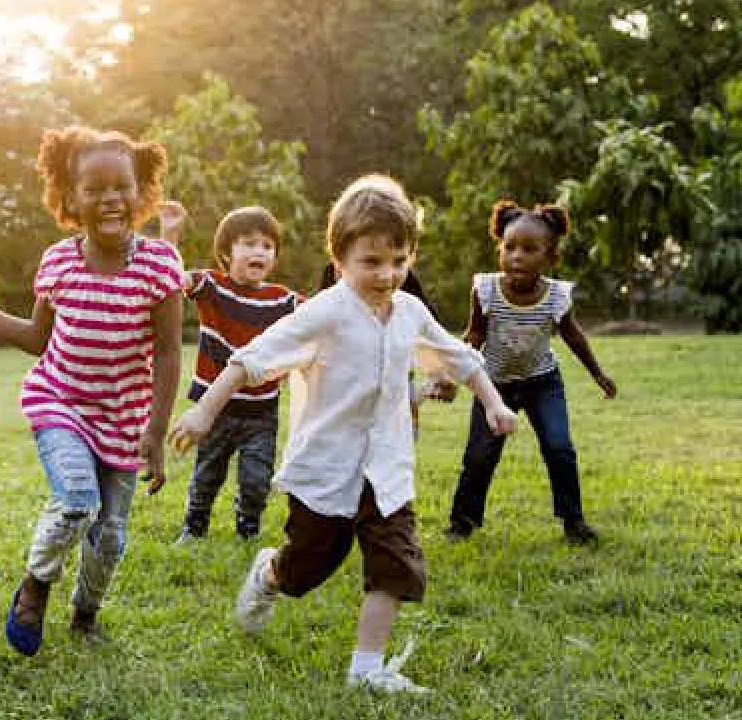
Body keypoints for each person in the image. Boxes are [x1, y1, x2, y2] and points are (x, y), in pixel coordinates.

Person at [169, 175, 518, 694]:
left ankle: (367, 669)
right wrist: (203, 413)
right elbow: (251, 360)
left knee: (396, 562)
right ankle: (270, 573)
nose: (388, 274)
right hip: (328, 467)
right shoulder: (325, 312)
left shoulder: (410, 311)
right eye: (371, 262)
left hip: (387, 467)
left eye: (399, 260)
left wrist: (494, 403)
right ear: (339, 261)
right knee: (309, 566)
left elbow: (457, 357)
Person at [0, 126, 183, 655]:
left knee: (111, 535)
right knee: (75, 501)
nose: (110, 198)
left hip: (125, 416)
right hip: (61, 403)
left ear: (140, 192)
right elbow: (37, 338)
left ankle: (85, 614)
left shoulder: (160, 266)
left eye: (121, 186)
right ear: (71, 199)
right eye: (94, 189)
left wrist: (156, 429)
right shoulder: (58, 262)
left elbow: (168, 353)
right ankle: (35, 586)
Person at [446, 200, 616, 546]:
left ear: (550, 258)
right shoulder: (486, 290)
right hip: (493, 386)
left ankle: (574, 522)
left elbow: (573, 336)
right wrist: (452, 375)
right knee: (479, 455)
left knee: (559, 447)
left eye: (529, 249)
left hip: (543, 384)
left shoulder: (556, 296)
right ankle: (461, 524)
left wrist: (598, 374)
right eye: (509, 247)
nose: (517, 257)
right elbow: (474, 335)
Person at [157, 201, 301, 542]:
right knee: (207, 474)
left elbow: (323, 314)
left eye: (267, 246)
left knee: (256, 479)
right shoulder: (212, 286)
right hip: (216, 409)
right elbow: (170, 281)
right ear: (226, 252)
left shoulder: (282, 301)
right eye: (249, 243)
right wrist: (169, 236)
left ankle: (247, 529)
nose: (259, 251)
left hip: (261, 412)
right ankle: (194, 528)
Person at [317, 262, 457, 436]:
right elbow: (322, 318)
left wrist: (441, 375)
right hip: (345, 376)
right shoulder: (334, 270)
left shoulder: (400, 273)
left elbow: (424, 322)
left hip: (395, 373)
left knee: (400, 432)